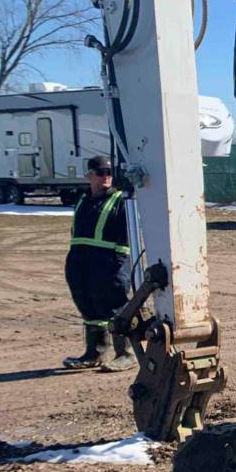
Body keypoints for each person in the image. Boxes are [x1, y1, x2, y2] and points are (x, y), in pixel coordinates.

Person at [62, 155, 134, 371]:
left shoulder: (120, 199)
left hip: (109, 262)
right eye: (101, 173)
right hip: (80, 260)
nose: (106, 177)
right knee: (88, 305)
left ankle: (126, 354)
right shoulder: (83, 199)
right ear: (89, 175)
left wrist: (117, 263)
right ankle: (95, 352)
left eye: (109, 173)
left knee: (114, 306)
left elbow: (126, 233)